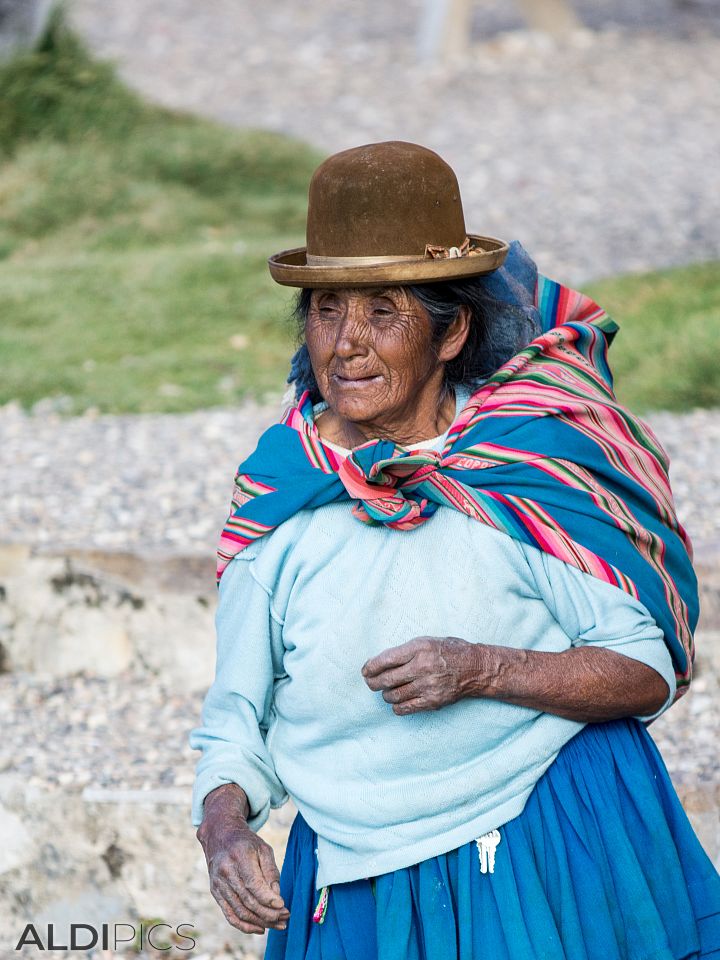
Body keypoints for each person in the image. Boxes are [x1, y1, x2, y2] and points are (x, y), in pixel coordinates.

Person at [189, 141, 720, 959]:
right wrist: (224, 830)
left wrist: (481, 669)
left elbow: (644, 669)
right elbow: (235, 719)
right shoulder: (283, 494)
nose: (346, 344)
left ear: (451, 332)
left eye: (384, 312)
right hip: (357, 871)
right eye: (327, 310)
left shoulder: (523, 466)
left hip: (548, 836)